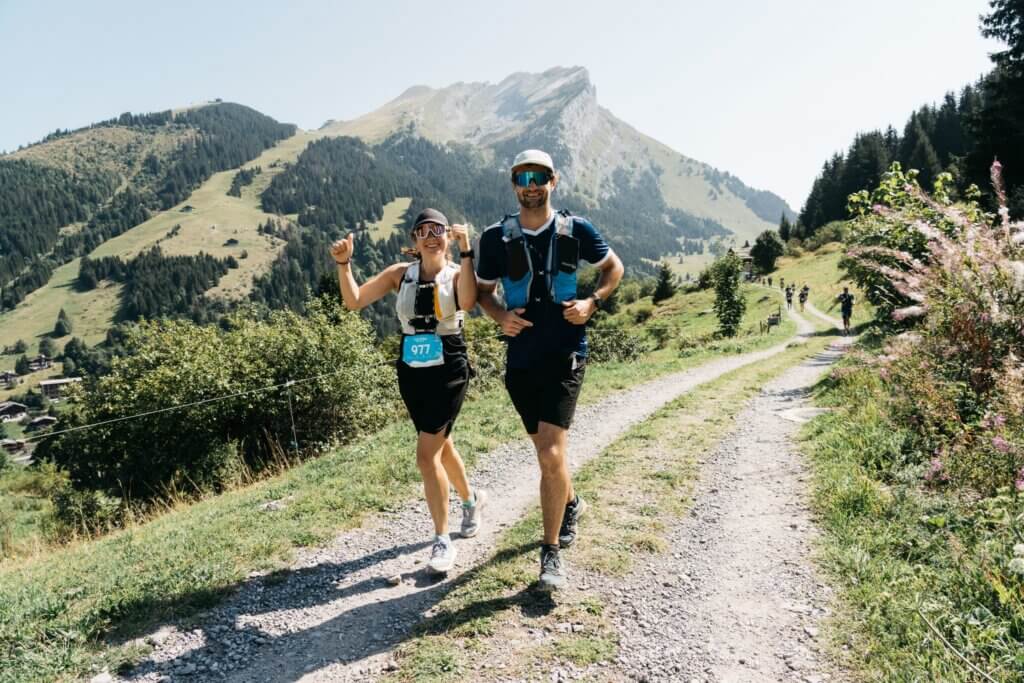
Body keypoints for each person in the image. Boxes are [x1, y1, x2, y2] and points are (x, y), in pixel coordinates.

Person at [476, 149, 624, 591]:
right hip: (520, 359)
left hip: (566, 353)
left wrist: (592, 302)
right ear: (514, 183)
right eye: (523, 176)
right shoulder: (494, 238)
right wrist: (499, 317)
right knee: (545, 449)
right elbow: (483, 294)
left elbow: (614, 269)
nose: (531, 183)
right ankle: (572, 501)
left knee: (550, 453)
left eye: (539, 176)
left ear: (553, 181)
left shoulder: (577, 230)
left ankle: (551, 552)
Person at [330, 209, 487, 574]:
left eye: (439, 230)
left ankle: (442, 540)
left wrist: (467, 252)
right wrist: (344, 264)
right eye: (423, 231)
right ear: (414, 240)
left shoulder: (458, 272)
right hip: (412, 367)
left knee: (426, 454)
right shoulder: (399, 276)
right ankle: (471, 500)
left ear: (448, 236)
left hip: (449, 364)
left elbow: (466, 303)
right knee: (440, 443)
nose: (431, 235)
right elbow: (354, 301)